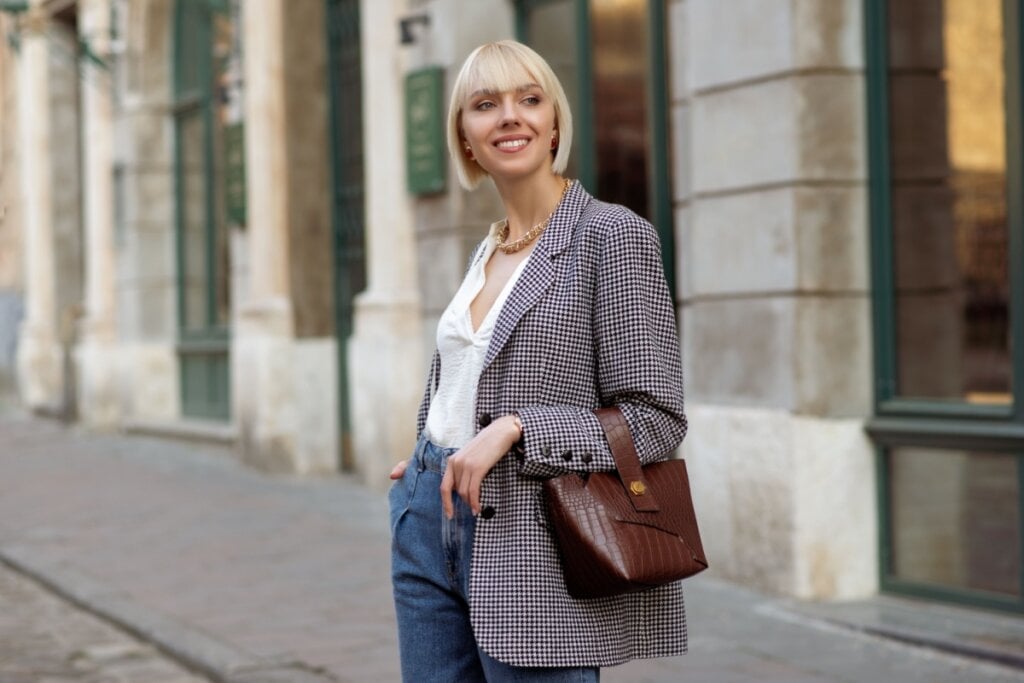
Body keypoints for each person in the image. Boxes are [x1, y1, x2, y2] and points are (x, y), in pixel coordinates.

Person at [387, 40, 687, 682]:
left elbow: (656, 419)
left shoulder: (613, 237)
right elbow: (470, 372)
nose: (510, 117)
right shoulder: (487, 251)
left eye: (530, 99)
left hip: (534, 539)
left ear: (554, 123)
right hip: (426, 516)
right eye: (486, 104)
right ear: (466, 137)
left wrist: (516, 428)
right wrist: (432, 445)